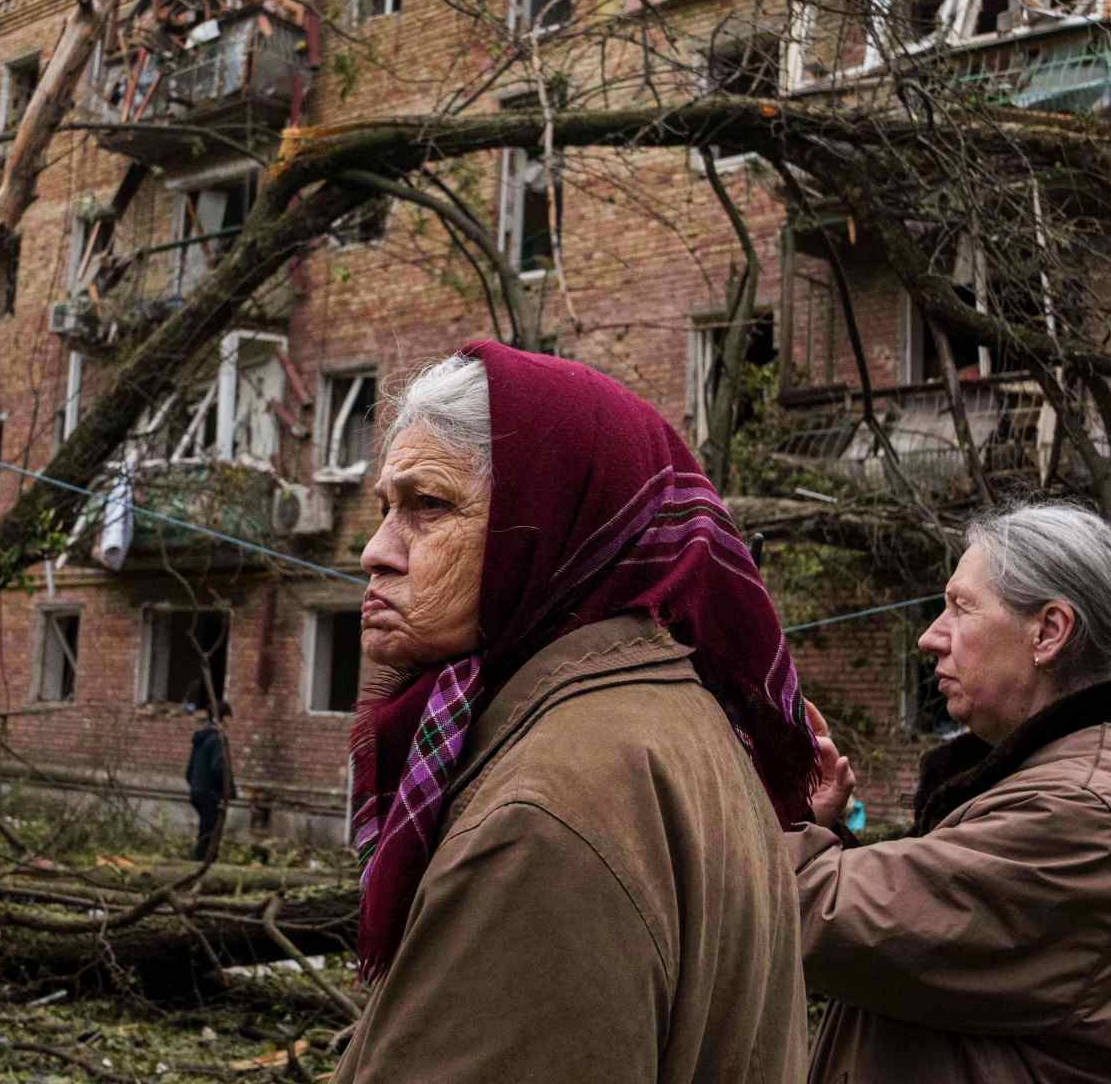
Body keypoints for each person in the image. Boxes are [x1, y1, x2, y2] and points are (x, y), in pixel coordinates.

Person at [334, 344, 816, 1084]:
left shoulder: (543, 812)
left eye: (428, 506)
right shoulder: (672, 719)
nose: (375, 552)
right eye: (383, 509)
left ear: (550, 521)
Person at [793, 502, 1111, 1084]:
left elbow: (826, 920)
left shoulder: (1084, 812)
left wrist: (753, 805)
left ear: (1050, 632)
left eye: (961, 608)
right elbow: (906, 932)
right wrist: (816, 827)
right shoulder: (1049, 773)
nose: (930, 637)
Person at [184, 700, 234, 860]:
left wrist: (196, 785)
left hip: (197, 791)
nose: (231, 721)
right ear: (224, 718)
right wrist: (225, 792)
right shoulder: (219, 739)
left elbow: (189, 770)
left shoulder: (201, 738)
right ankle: (203, 863)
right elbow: (219, 768)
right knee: (211, 833)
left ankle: (200, 861)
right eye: (229, 717)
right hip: (210, 793)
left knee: (206, 829)